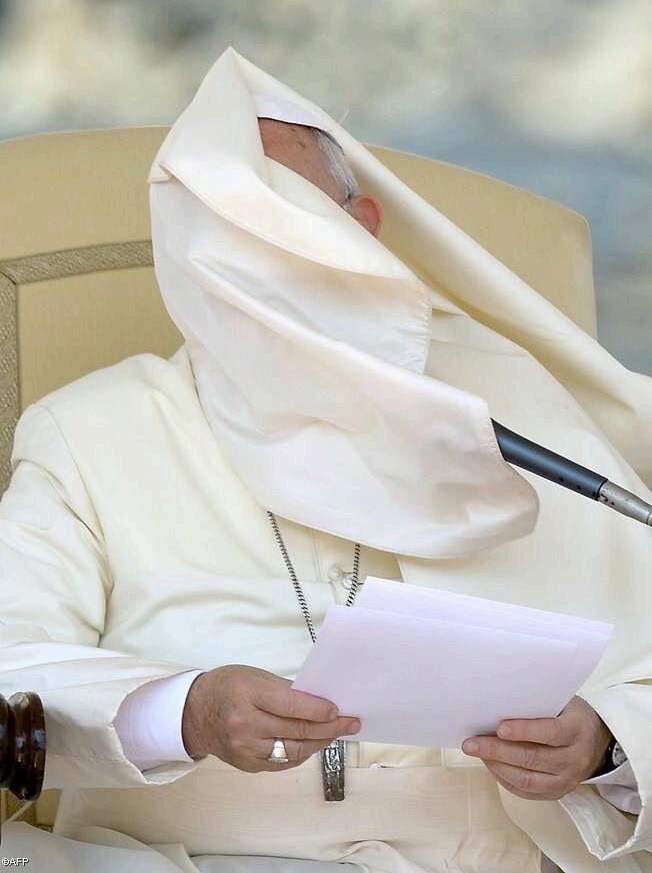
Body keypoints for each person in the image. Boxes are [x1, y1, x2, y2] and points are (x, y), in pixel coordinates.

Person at [0, 48, 650, 873]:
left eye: (297, 231)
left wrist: (607, 745)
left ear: (365, 229)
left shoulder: (514, 413)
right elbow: (11, 665)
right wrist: (185, 710)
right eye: (231, 245)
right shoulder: (90, 431)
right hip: (179, 859)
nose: (265, 276)